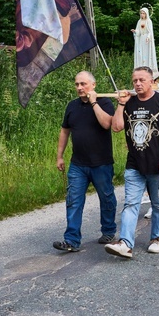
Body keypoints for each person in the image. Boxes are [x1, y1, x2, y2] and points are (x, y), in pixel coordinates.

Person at [105, 66, 159, 258]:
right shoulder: (129, 103)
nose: (137, 84)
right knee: (130, 204)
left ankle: (157, 238)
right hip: (134, 164)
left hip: (158, 165)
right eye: (134, 80)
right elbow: (117, 127)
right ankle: (125, 243)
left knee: (158, 203)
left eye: (142, 80)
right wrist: (121, 104)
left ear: (153, 81)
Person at [53, 71, 117, 252]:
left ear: (93, 85)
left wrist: (94, 102)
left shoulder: (104, 102)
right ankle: (71, 240)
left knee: (106, 198)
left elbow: (107, 124)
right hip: (78, 164)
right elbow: (65, 131)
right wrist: (59, 156)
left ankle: (109, 231)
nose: (80, 88)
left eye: (83, 84)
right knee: (73, 200)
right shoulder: (72, 106)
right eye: (77, 84)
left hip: (101, 163)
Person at [131, 7, 158, 79]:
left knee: (146, 54)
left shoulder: (148, 21)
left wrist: (148, 37)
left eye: (143, 13)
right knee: (141, 53)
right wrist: (135, 31)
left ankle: (147, 67)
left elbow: (150, 32)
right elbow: (139, 32)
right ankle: (141, 66)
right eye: (141, 13)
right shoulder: (139, 22)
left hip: (147, 40)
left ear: (146, 14)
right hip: (141, 40)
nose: (142, 15)